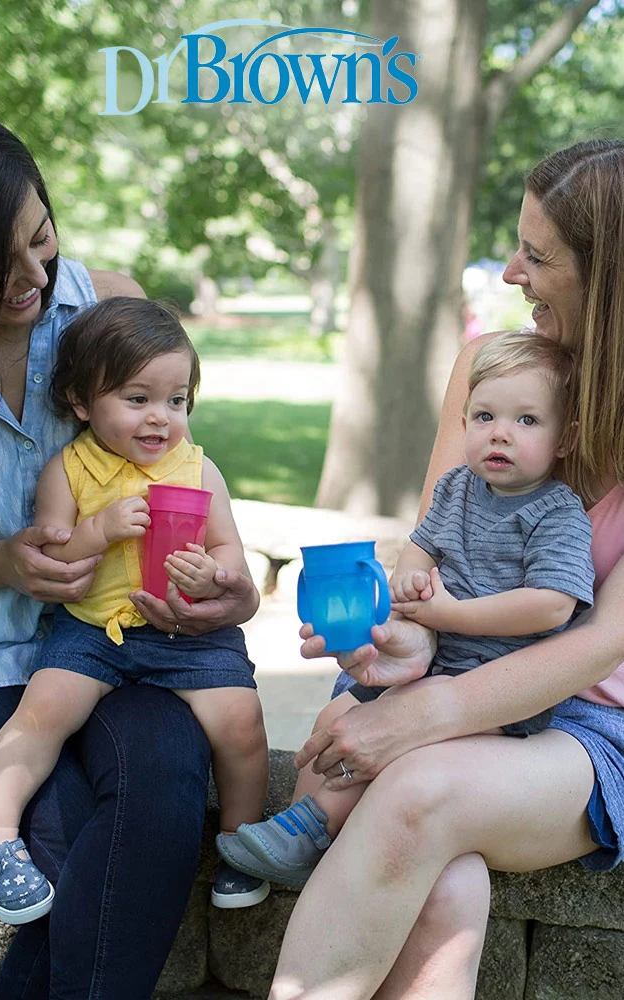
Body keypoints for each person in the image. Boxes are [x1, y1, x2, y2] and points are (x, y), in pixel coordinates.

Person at [0, 97, 259, 1000]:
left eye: (38, 237)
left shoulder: (104, 309)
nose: (30, 276)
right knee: (62, 844)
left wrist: (229, 593)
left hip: (110, 641)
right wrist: (2, 562)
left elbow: (189, 480)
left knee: (166, 785)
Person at [265, 139, 624, 1000]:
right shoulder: (492, 370)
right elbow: (434, 564)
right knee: (441, 882)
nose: (510, 272)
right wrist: (394, 647)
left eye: (537, 255)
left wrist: (425, 717)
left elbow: (604, 640)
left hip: (591, 726)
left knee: (418, 792)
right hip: (460, 674)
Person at [217, 331, 595, 885]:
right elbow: (421, 546)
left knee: (391, 750)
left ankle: (311, 826)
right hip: (433, 662)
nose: (501, 434)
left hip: (497, 691)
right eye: (485, 416)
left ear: (565, 439)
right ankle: (297, 845)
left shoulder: (556, 512)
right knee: (335, 718)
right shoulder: (458, 489)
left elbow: (551, 606)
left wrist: (446, 615)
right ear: (463, 424)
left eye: (528, 421)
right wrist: (410, 583)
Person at [0, 296, 269, 919]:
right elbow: (56, 558)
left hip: (190, 634)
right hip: (94, 630)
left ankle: (242, 844)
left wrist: (214, 575)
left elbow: (231, 553)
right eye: (137, 400)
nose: (161, 419)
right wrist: (99, 529)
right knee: (42, 712)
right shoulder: (71, 470)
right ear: (82, 403)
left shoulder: (199, 470)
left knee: (240, 724)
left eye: (177, 401)